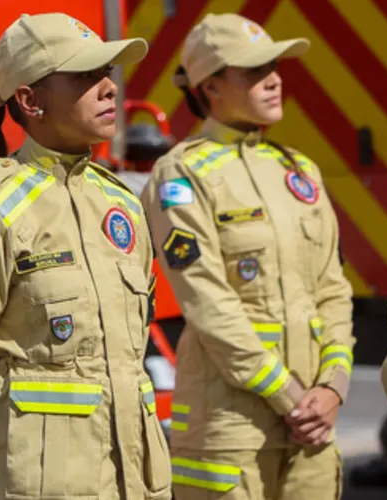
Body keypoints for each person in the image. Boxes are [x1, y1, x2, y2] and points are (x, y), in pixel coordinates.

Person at [0, 13, 171, 499]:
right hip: (39, 486)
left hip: (134, 483)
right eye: (85, 76)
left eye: (107, 73)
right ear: (30, 101)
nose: (109, 88)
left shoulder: (119, 203)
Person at [140, 13, 354, 499]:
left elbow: (333, 290)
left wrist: (333, 387)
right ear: (210, 87)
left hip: (312, 428)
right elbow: (208, 305)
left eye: (274, 66)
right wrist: (293, 397)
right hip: (231, 432)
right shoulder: (180, 175)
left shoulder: (298, 170)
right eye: (254, 70)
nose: (274, 79)